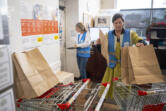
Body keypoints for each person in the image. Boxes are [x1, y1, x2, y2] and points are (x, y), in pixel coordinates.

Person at [99, 13, 147, 99]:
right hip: (112, 67)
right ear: (113, 24)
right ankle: (107, 102)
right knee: (108, 86)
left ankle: (122, 105)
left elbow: (139, 40)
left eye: (120, 22)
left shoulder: (130, 34)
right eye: (116, 23)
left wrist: (141, 43)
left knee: (123, 89)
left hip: (125, 67)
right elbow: (103, 49)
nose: (118, 25)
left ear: (123, 23)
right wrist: (99, 44)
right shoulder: (108, 35)